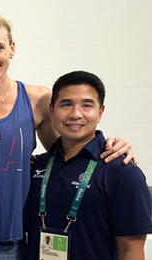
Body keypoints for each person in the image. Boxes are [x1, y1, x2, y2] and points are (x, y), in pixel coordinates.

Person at [0, 14, 136, 260]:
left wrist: (112, 145)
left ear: (12, 49)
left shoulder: (37, 100)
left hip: (9, 239)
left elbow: (68, 153)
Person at [26, 70, 152, 260]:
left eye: (87, 105)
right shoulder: (38, 166)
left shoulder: (122, 172)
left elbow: (131, 252)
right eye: (66, 104)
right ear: (51, 111)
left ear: (100, 112)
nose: (76, 114)